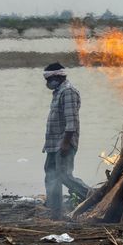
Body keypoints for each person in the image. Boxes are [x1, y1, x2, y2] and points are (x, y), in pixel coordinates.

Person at [42, 63, 90, 220]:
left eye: (49, 79)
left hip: (63, 143)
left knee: (64, 176)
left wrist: (65, 143)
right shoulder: (58, 92)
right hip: (53, 144)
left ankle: (91, 197)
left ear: (58, 76)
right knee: (50, 174)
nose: (47, 83)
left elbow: (72, 122)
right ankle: (55, 212)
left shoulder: (68, 92)